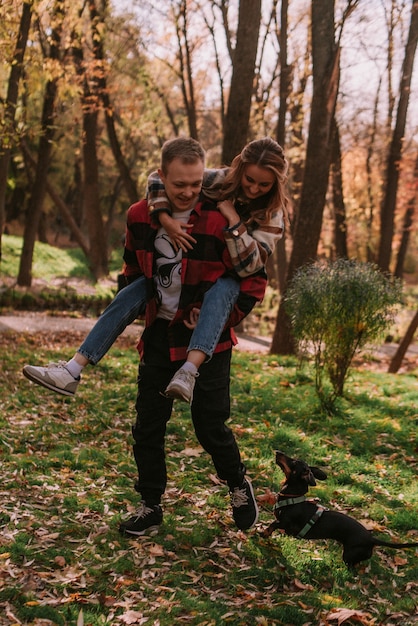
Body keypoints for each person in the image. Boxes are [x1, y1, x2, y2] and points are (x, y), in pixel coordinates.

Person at [22, 137, 289, 402]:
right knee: (128, 294)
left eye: (263, 184)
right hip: (184, 272)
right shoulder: (218, 179)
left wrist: (233, 221)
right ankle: (71, 369)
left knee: (222, 290)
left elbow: (250, 267)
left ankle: (189, 370)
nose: (254, 189)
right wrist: (165, 218)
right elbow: (158, 178)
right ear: (241, 168)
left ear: (276, 183)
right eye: (249, 179)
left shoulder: (272, 214)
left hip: (226, 280)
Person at [118, 136, 267, 535]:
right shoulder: (137, 216)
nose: (187, 192)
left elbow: (253, 282)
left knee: (210, 427)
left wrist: (218, 318)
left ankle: (238, 484)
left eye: (195, 184)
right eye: (178, 184)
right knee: (147, 426)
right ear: (160, 177)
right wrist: (142, 305)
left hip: (210, 346)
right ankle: (150, 505)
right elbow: (131, 269)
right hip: (159, 341)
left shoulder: (222, 222)